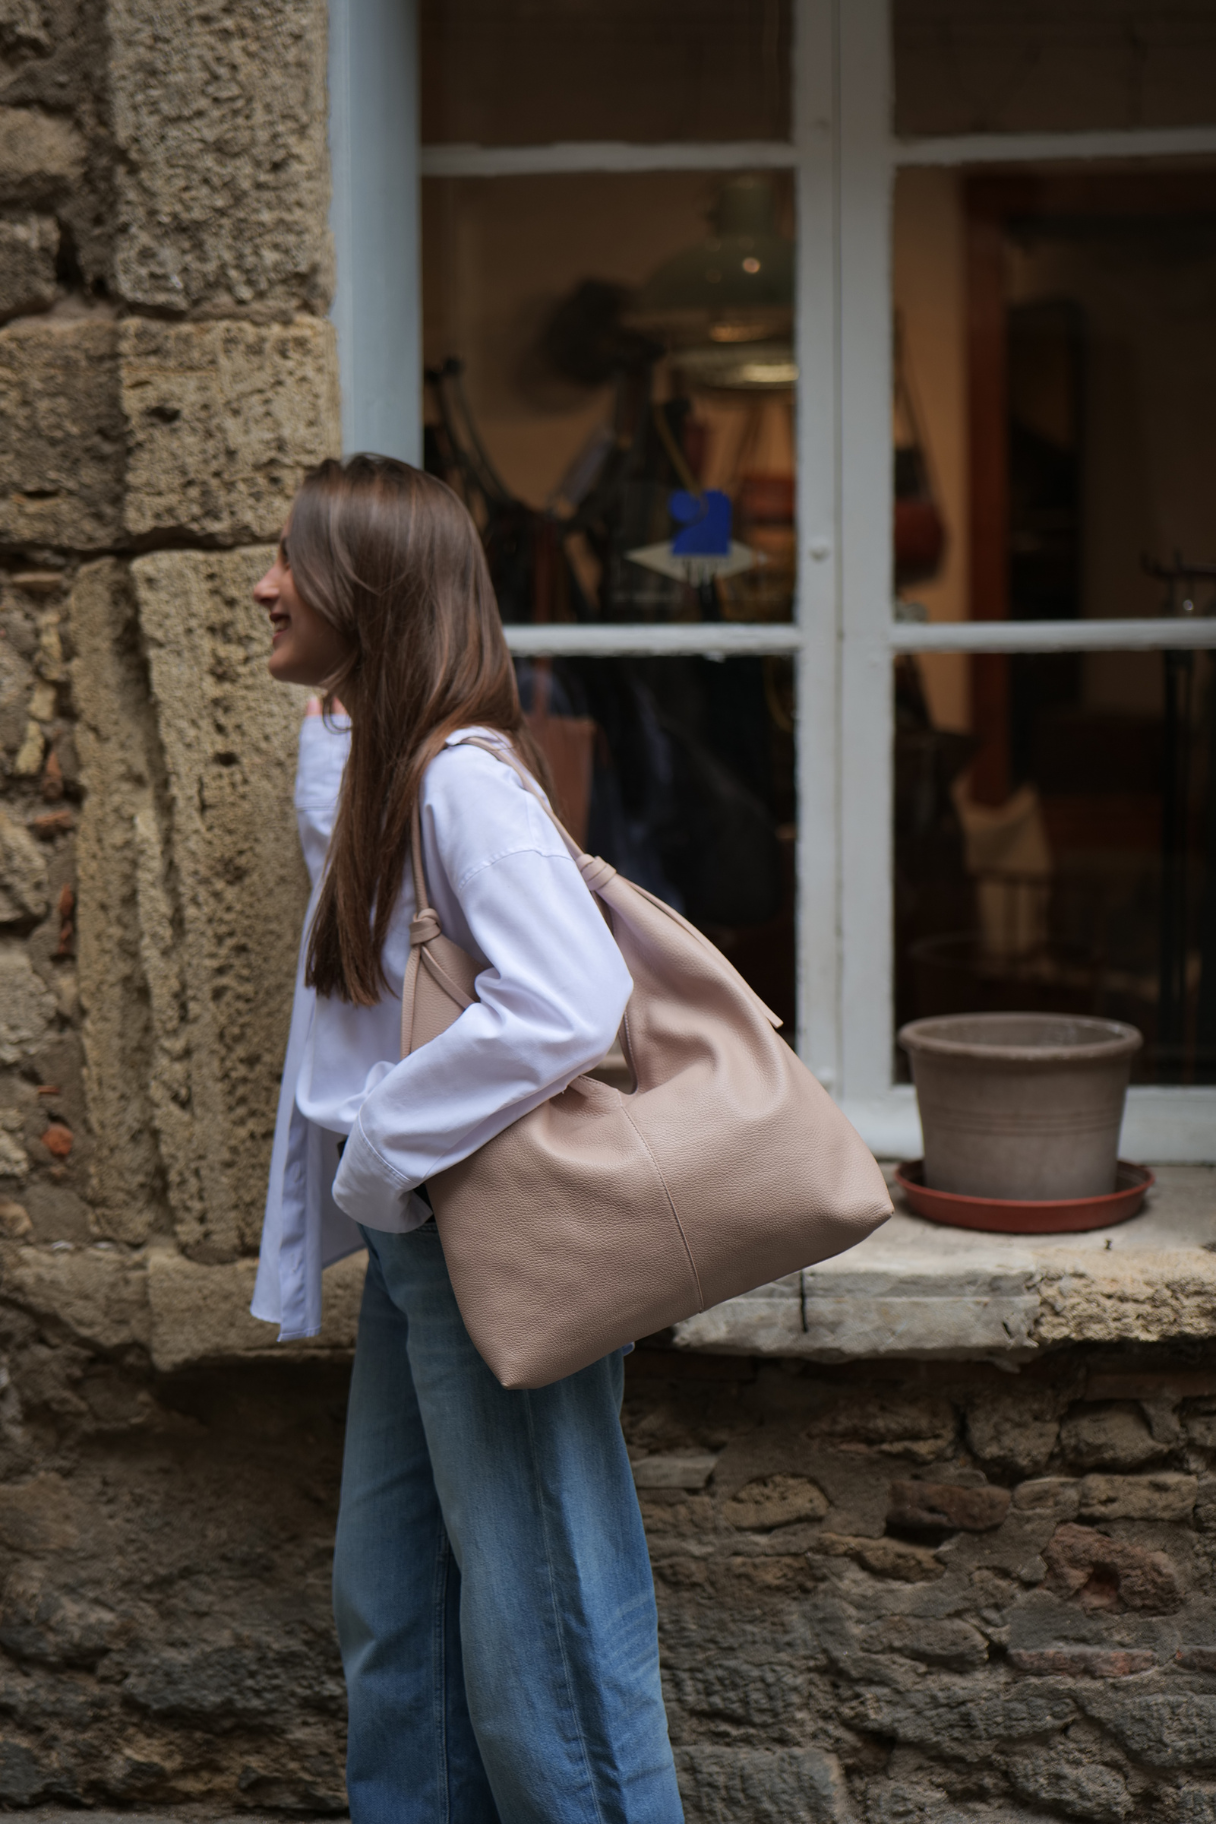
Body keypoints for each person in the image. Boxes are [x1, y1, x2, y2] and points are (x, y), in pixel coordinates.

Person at [250, 454, 684, 1824]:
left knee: (545, 1624)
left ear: (366, 591)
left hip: (470, 1224)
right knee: (401, 1616)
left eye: (291, 560)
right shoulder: (388, 762)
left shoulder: (461, 784)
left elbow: (569, 999)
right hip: (417, 1236)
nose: (263, 583)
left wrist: (383, 1148)